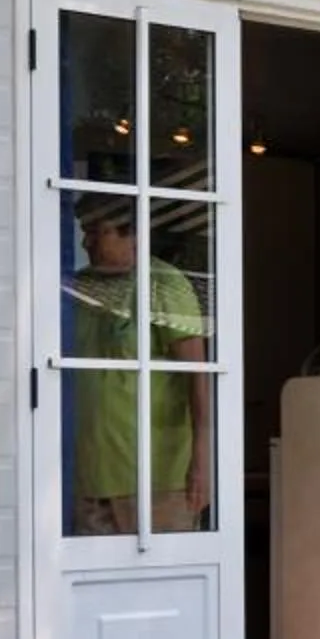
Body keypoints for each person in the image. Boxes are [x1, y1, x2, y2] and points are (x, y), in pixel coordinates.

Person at [67, 196, 212, 534]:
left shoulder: (164, 284)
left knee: (161, 583)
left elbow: (198, 376)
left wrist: (202, 460)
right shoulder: (81, 286)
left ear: (132, 234)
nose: (86, 241)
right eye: (84, 230)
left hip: (154, 476)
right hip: (88, 475)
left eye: (97, 232)